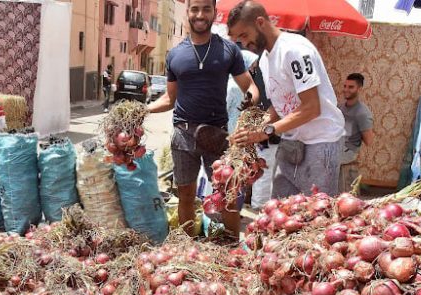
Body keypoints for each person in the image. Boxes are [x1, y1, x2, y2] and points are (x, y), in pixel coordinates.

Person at [148, 0, 258, 237]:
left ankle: (230, 245)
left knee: (227, 194)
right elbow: (169, 98)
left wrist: (248, 110)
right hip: (183, 135)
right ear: (187, 12)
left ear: (214, 13)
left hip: (217, 134)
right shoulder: (175, 54)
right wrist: (144, 110)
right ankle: (188, 245)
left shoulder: (228, 50)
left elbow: (251, 88)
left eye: (206, 9)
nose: (200, 15)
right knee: (185, 194)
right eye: (195, 9)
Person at [228, 0, 345, 197]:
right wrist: (259, 125)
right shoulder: (265, 59)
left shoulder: (294, 50)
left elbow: (312, 108)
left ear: (260, 22)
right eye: (239, 39)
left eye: (245, 35)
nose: (244, 44)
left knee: (316, 213)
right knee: (279, 210)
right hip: (292, 141)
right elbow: (281, 103)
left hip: (321, 140)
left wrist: (267, 130)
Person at [338, 72, 374, 192]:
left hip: (348, 150)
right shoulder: (341, 107)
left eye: (351, 87)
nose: (346, 90)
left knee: (322, 158)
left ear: (359, 89)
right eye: (345, 86)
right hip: (337, 144)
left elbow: (369, 140)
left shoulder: (362, 113)